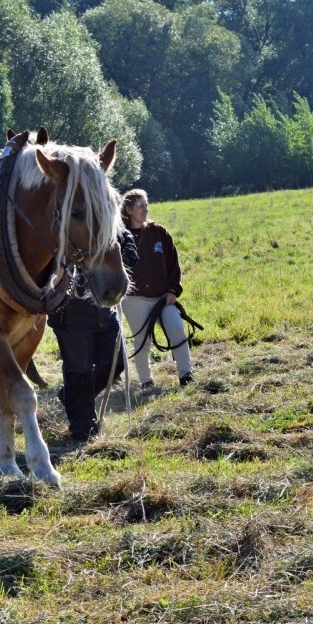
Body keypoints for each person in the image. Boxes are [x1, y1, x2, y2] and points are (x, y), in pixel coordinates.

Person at [48, 230, 138, 442]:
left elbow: (125, 240)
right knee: (79, 371)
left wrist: (117, 260)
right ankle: (83, 428)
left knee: (116, 364)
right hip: (71, 312)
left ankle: (71, 397)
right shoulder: (64, 224)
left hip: (103, 309)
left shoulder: (103, 223)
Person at [119, 188, 195, 389]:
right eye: (140, 206)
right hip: (134, 298)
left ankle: (186, 375)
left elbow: (173, 265)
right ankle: (146, 381)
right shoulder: (120, 237)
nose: (145, 209)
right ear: (129, 210)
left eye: (146, 205)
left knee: (177, 330)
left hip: (163, 297)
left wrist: (172, 291)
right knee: (142, 340)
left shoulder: (159, 233)